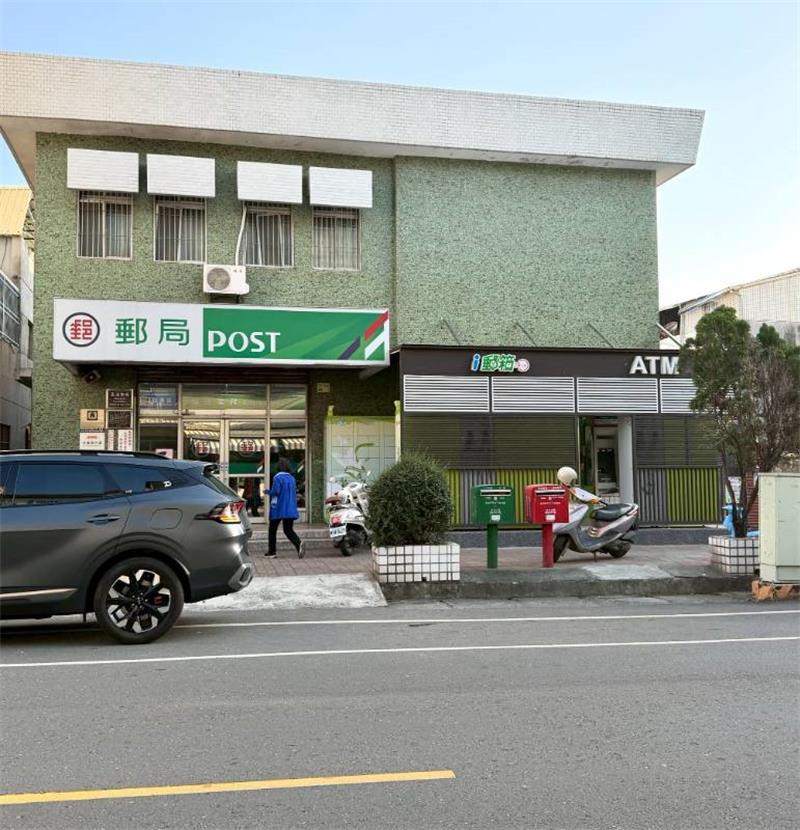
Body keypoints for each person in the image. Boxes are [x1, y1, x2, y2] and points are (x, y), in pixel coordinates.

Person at [265, 457, 305, 559]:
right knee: (288, 530)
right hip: (290, 508)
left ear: (278, 467)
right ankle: (298, 543)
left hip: (278, 508)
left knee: (272, 530)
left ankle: (272, 552)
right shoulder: (291, 478)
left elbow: (276, 492)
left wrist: (267, 492)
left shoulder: (277, 478)